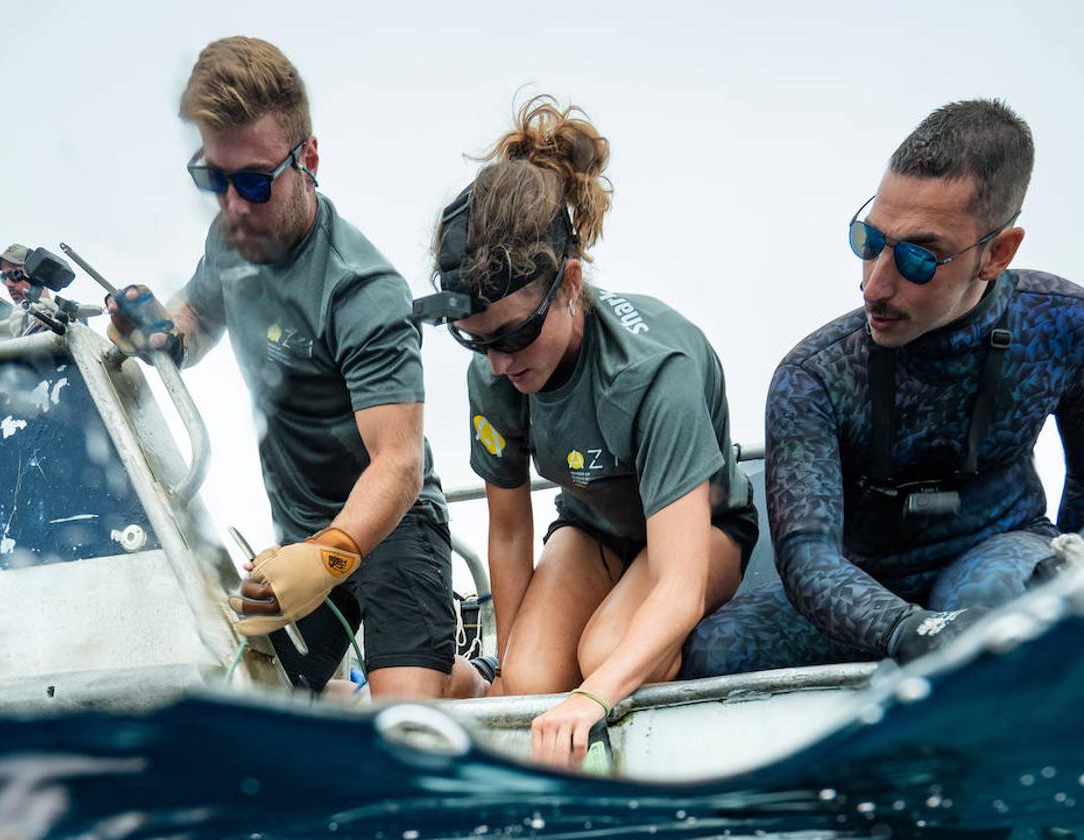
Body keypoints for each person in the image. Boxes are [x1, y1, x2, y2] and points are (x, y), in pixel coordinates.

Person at [106, 36, 481, 699]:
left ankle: (471, 684)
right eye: (212, 180)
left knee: (401, 723)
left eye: (253, 181)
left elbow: (398, 463)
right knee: (251, 705)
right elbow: (192, 320)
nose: (233, 205)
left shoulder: (362, 290)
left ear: (308, 158)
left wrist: (328, 557)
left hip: (392, 525)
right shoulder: (230, 239)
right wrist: (155, 333)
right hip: (295, 533)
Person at [683, 100, 1084, 676]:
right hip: (861, 584)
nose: (874, 285)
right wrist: (908, 628)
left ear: (997, 253)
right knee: (707, 653)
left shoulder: (1062, 323)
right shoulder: (813, 375)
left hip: (998, 552)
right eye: (869, 240)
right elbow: (806, 557)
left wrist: (1063, 585)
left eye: (919, 258)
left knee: (1001, 610)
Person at [426, 96, 758, 767]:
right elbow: (513, 531)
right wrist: (516, 687)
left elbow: (679, 583)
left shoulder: (654, 371)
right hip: (595, 528)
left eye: (516, 334)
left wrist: (593, 696)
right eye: (475, 341)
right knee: (527, 682)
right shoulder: (493, 374)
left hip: (706, 534)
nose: (500, 363)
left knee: (604, 658)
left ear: (570, 283)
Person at [0, 243, 52, 337]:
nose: (8, 284)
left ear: (37, 275)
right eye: (4, 277)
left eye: (15, 274)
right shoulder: (4, 336)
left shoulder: (74, 319)